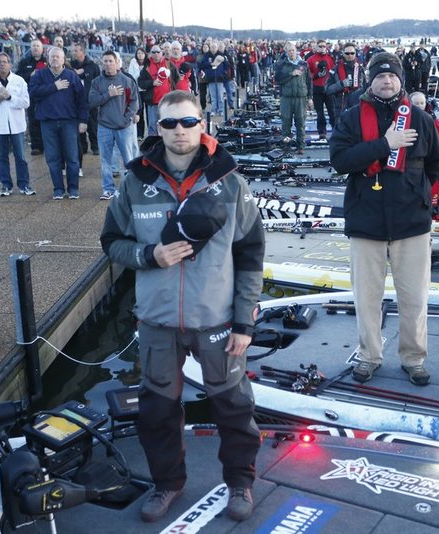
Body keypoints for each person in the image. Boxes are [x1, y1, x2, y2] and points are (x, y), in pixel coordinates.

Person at [100, 90, 264, 523]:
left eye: (187, 122)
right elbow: (110, 242)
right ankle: (167, 483)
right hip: (156, 321)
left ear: (201, 123)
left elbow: (250, 255)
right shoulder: (135, 181)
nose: (179, 131)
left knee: (233, 405)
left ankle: (241, 481)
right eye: (170, 123)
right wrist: (147, 256)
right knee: (156, 410)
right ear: (157, 127)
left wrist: (245, 320)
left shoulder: (230, 182)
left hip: (217, 319)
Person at [329, 52, 439, 386]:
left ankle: (414, 358)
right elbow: (340, 160)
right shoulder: (351, 118)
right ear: (370, 81)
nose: (386, 81)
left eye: (392, 76)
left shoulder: (421, 119)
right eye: (380, 76)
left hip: (412, 223)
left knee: (414, 297)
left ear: (400, 80)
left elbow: (436, 164)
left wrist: (421, 195)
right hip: (366, 223)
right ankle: (368, 355)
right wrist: (384, 144)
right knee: (366, 298)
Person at [28, 46, 88, 200]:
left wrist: (83, 121)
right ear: (48, 58)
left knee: (72, 157)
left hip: (69, 122)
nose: (55, 59)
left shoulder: (71, 75)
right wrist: (54, 87)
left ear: (63, 60)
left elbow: (81, 100)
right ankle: (58, 189)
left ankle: (73, 189)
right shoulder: (40, 75)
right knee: (53, 158)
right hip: (48, 123)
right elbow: (33, 93)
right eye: (52, 56)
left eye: (58, 57)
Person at [0, 53, 35, 197]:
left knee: (21, 156)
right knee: (1, 157)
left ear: (10, 64)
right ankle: (6, 185)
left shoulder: (19, 80)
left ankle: (24, 185)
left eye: (5, 62)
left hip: (17, 125)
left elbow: (26, 102)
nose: (2, 64)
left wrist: (10, 97)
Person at [88, 50, 139, 200]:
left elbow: (134, 101)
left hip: (124, 127)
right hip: (104, 127)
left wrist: (127, 119)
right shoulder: (97, 82)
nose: (108, 64)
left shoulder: (126, 80)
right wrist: (108, 95)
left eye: (111, 61)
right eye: (105, 61)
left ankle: (128, 190)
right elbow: (92, 102)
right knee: (105, 160)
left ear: (117, 63)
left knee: (128, 160)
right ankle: (108, 189)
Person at [410, 91, 439, 216]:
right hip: (412, 168)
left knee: (433, 201)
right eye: (416, 103)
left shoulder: (434, 122)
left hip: (432, 168)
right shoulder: (404, 121)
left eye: (422, 103)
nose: (420, 106)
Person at [275, 42, 312, 154]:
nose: (291, 52)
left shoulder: (304, 64)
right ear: (286, 52)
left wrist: (310, 97)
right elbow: (278, 79)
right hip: (286, 98)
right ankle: (286, 146)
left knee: (300, 122)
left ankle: (301, 146)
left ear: (296, 50)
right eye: (289, 51)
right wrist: (291, 74)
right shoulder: (281, 64)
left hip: (301, 98)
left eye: (293, 50)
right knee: (286, 122)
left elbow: (309, 81)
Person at [16, 39, 47, 155]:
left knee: (46, 120)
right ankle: (36, 146)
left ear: (42, 48)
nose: (35, 48)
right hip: (31, 95)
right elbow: (18, 77)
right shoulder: (25, 62)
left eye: (37, 46)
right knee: (33, 120)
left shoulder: (47, 61)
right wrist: (30, 74)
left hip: (45, 95)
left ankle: (47, 144)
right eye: (33, 46)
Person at [70, 43, 100, 156]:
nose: (74, 52)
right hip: (76, 101)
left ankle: (95, 146)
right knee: (79, 126)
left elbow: (98, 82)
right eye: (73, 50)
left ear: (83, 52)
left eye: (76, 50)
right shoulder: (70, 65)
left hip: (90, 100)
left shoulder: (93, 66)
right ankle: (82, 147)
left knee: (92, 125)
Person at [326, 42, 365, 119]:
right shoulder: (335, 70)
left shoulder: (361, 69)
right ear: (343, 54)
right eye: (347, 53)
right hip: (341, 105)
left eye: (352, 53)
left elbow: (368, 87)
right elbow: (327, 89)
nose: (350, 55)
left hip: (358, 104)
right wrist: (341, 84)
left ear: (355, 54)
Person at [305, 40, 335, 140]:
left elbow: (334, 72)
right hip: (317, 89)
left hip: (329, 88)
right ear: (316, 47)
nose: (322, 48)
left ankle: (336, 130)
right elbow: (307, 75)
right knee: (320, 113)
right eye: (320, 46)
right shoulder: (311, 59)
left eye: (324, 46)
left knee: (332, 112)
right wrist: (316, 75)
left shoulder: (330, 58)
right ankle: (322, 132)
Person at [128, 48, 148, 139]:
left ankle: (151, 133)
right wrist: (140, 72)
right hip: (137, 90)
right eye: (138, 53)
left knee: (148, 112)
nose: (140, 55)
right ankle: (140, 134)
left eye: (142, 53)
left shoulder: (148, 63)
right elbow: (131, 75)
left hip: (147, 90)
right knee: (138, 111)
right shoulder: (133, 62)